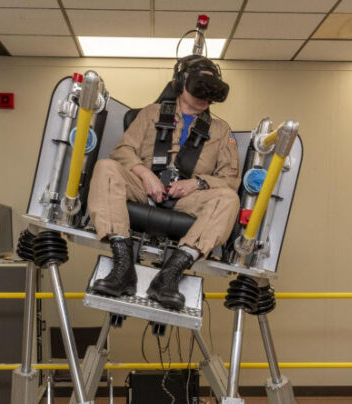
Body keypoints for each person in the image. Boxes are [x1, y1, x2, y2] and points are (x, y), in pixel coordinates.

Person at [87, 55, 240, 311]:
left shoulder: (221, 130)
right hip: (142, 188)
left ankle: (169, 275)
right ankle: (123, 266)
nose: (203, 97)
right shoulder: (150, 113)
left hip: (187, 200)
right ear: (181, 84)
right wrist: (145, 175)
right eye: (198, 88)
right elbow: (124, 150)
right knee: (106, 167)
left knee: (228, 198)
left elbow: (229, 180)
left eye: (209, 92)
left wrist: (197, 183)